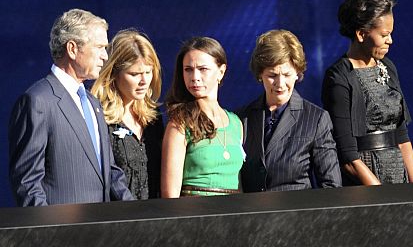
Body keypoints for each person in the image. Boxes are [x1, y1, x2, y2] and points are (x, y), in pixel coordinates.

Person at [8, 8, 133, 206]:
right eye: (99, 47)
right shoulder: (38, 101)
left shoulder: (93, 103)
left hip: (103, 230)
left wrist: (136, 213)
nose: (105, 56)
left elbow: (109, 171)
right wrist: (50, 232)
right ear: (73, 49)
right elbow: (27, 182)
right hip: (63, 233)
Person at [322, 0, 413, 186]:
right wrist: (379, 195)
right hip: (365, 187)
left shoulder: (388, 67)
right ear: (361, 34)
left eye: (391, 34)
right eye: (384, 35)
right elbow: (348, 156)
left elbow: (402, 136)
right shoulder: (339, 77)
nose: (390, 40)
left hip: (398, 178)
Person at [238, 30, 342, 192]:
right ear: (260, 75)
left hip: (297, 214)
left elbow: (331, 185)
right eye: (272, 75)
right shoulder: (242, 118)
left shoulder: (316, 118)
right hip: (252, 214)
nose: (280, 84)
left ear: (297, 73)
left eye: (287, 74)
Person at [161, 37, 244, 197]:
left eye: (203, 69)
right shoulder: (179, 124)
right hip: (196, 218)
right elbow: (170, 197)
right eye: (188, 69)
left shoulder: (236, 123)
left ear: (221, 71)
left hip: (234, 217)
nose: (195, 77)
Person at [91, 30, 164, 199]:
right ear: (113, 73)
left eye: (148, 72)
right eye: (135, 74)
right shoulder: (98, 116)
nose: (144, 81)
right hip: (117, 218)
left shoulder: (154, 116)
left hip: (155, 216)